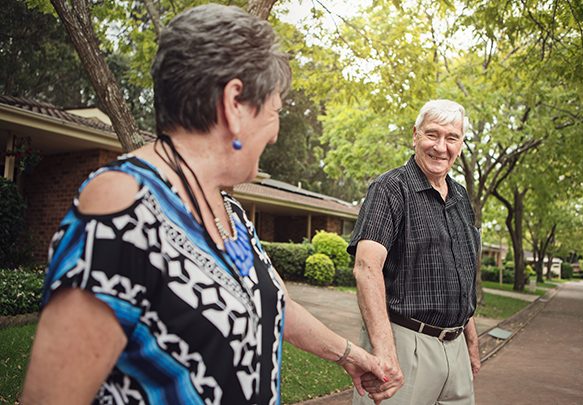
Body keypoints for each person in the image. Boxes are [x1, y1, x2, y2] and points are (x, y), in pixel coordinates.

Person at [21, 4, 389, 404]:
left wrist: (348, 355)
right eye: (275, 110)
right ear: (234, 103)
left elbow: (272, 302)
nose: (276, 131)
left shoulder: (228, 211)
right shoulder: (121, 207)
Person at [349, 99, 481, 404]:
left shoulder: (460, 197)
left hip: (456, 347)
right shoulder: (389, 189)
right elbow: (366, 268)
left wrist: (471, 343)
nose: (441, 147)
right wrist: (384, 350)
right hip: (405, 344)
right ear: (415, 135)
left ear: (461, 144)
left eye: (452, 138)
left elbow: (461, 277)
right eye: (432, 134)